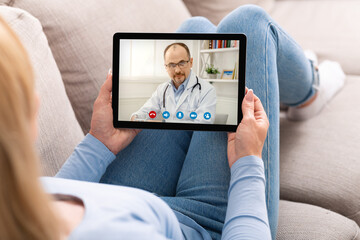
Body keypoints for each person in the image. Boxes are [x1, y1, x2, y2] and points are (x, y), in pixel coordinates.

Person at [0, 4, 345, 240]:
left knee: (195, 33)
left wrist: (99, 143)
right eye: (24, 90)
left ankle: (295, 79)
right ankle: (309, 90)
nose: (37, 98)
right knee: (250, 24)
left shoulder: (12, 204)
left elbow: (44, 206)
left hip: (114, 200)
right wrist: (248, 162)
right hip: (201, 224)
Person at [130, 42, 217, 123]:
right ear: (166, 67)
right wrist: (136, 118)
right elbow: (142, 113)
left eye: (182, 63)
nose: (177, 70)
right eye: (172, 65)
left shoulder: (207, 90)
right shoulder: (162, 89)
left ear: (191, 62)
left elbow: (203, 124)